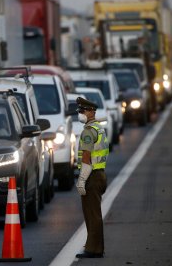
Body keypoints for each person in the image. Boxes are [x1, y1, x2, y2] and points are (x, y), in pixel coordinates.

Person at [75, 97, 109, 259]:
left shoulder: (88, 131)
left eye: (82, 111)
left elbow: (86, 157)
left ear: (91, 112)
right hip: (99, 173)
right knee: (93, 212)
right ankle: (94, 247)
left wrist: (81, 180)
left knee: (92, 214)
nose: (80, 114)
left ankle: (93, 249)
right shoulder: (98, 128)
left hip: (92, 176)